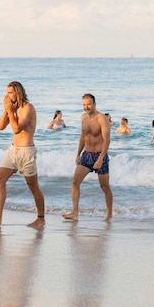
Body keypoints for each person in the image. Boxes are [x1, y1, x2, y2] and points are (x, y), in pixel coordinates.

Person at [0, 81, 45, 228]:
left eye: (10, 93)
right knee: (0, 179)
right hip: (13, 150)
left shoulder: (28, 108)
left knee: (33, 186)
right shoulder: (12, 108)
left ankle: (41, 218)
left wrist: (10, 111)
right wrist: (6, 110)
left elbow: (16, 129)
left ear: (18, 92)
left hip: (26, 152)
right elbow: (0, 127)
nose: (7, 95)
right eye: (7, 92)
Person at [62, 94, 112, 222]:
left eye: (89, 104)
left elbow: (107, 139)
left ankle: (109, 214)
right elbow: (83, 136)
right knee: (75, 181)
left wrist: (101, 158)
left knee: (104, 187)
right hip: (87, 155)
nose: (86, 107)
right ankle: (75, 213)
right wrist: (78, 153)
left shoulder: (102, 118)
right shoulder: (83, 117)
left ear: (95, 104)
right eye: (84, 104)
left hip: (100, 154)